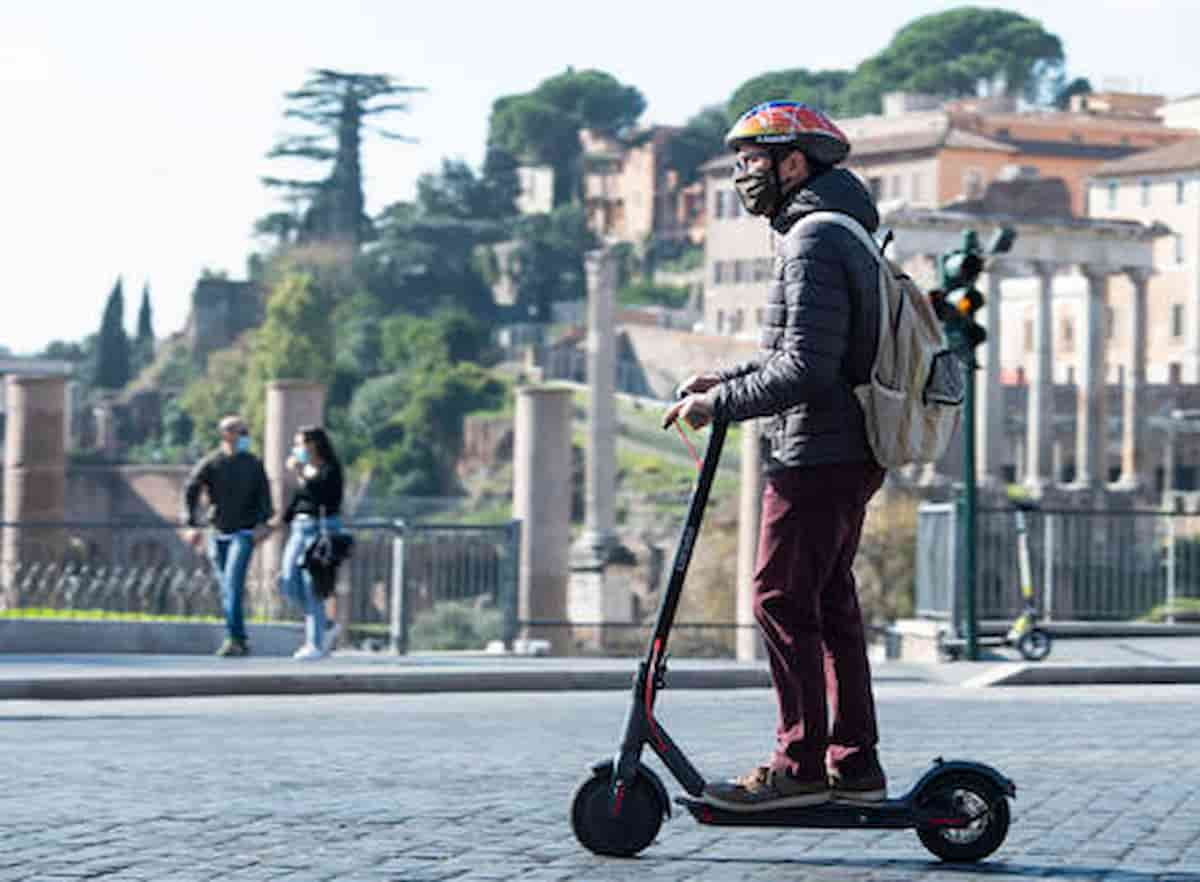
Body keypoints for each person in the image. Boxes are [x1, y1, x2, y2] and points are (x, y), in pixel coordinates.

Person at [662, 101, 887, 812]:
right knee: (827, 603)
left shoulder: (814, 240)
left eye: (754, 160)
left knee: (781, 598)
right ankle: (852, 767)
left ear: (796, 164)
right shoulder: (831, 230)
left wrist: (717, 407)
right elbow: (790, 354)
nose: (743, 175)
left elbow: (805, 373)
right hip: (840, 449)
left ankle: (799, 769)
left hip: (817, 452)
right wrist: (722, 380)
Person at [183, 415, 274, 657]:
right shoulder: (212, 463)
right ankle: (239, 640)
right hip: (218, 531)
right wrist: (192, 523)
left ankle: (235, 637)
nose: (243, 435)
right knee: (226, 587)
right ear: (225, 434)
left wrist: (263, 524)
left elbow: (264, 496)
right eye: (237, 431)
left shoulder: (253, 463)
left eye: (245, 431)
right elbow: (191, 487)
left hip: (243, 533)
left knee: (233, 584)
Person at [277, 425, 344, 661]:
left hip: (321, 529)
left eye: (300, 443)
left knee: (311, 585)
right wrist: (280, 520)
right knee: (287, 581)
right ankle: (324, 624)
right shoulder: (306, 472)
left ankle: (314, 643)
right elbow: (301, 498)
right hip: (300, 528)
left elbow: (324, 494)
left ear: (314, 444)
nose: (297, 449)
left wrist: (301, 472)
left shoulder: (330, 469)